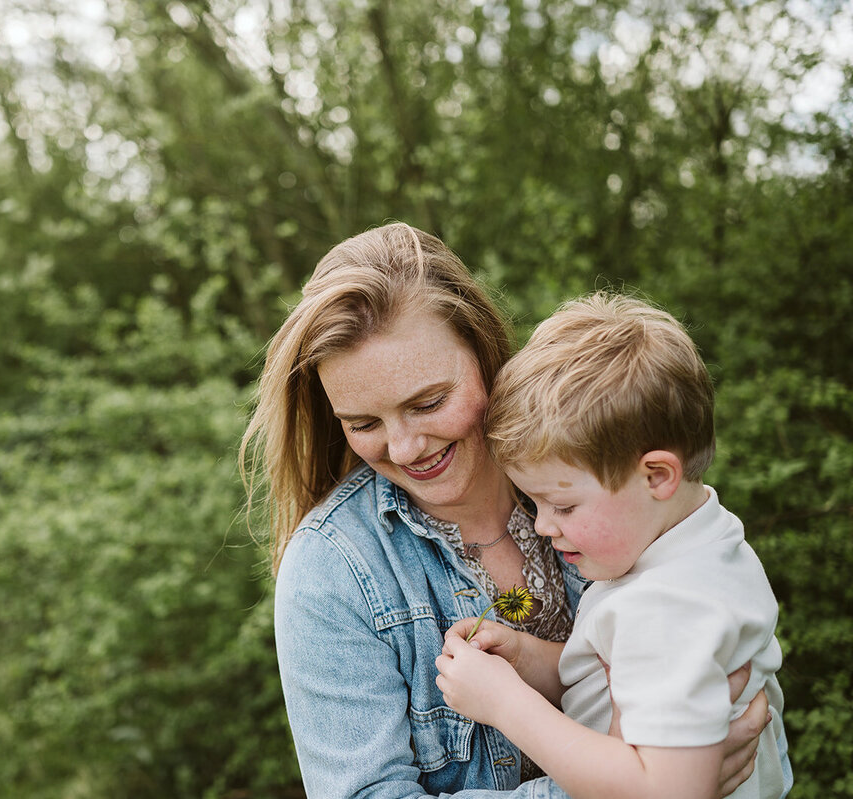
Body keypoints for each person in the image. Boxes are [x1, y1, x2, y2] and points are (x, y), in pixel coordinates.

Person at [240, 222, 772, 798]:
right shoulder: (334, 567)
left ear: (485, 352)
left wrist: (652, 772)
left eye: (429, 402)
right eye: (362, 424)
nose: (403, 448)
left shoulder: (597, 466)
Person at [435, 292, 791, 799]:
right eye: (533, 503)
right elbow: (618, 676)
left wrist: (505, 703)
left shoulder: (669, 608)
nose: (542, 526)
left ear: (657, 475)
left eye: (563, 505)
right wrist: (528, 658)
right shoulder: (700, 546)